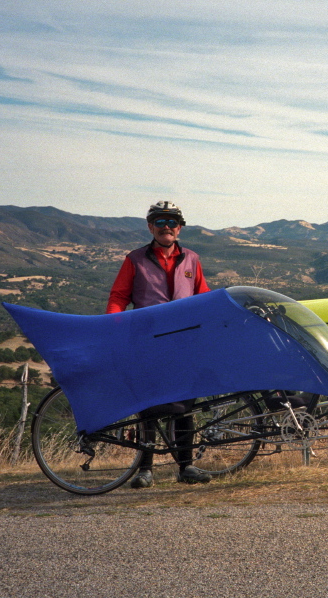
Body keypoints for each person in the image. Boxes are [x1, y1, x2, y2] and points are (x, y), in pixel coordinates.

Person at [106, 200, 213, 488]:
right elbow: (118, 297)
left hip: (183, 342)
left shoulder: (191, 258)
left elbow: (203, 297)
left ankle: (186, 467)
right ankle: (145, 469)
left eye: (172, 222)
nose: (167, 227)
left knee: (185, 406)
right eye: (160, 222)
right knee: (149, 409)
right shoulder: (135, 259)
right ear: (150, 226)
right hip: (147, 342)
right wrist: (113, 328)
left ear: (180, 227)